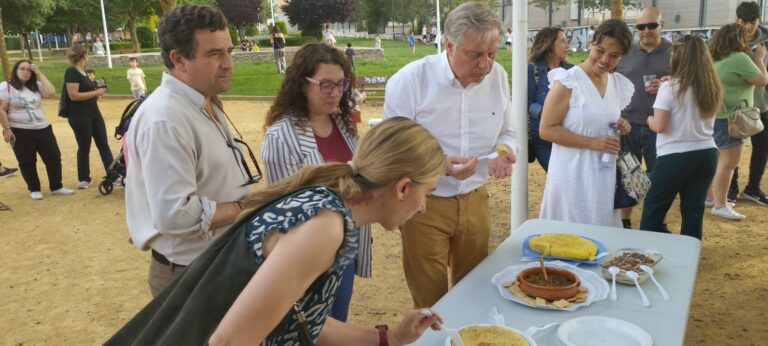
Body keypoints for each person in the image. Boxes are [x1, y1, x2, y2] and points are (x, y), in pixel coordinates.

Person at [107, 117, 446, 345]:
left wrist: (390, 338)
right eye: (426, 194)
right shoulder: (326, 225)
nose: (423, 208)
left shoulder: (326, 207)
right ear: (403, 188)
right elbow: (228, 342)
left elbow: (300, 317)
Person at [383, 2, 519, 309]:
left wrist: (503, 152)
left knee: (473, 292)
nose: (486, 65)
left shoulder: (497, 76)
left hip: (475, 200)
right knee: (430, 300)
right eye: (475, 54)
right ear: (449, 46)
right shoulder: (409, 81)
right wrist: (440, 165)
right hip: (422, 205)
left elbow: (509, 132)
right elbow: (392, 150)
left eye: (492, 53)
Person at [124, 5, 252, 297]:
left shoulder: (203, 100)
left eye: (229, 51)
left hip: (216, 262)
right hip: (190, 276)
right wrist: (245, 207)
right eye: (214, 54)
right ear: (178, 60)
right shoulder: (165, 119)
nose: (228, 63)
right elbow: (176, 214)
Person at [260, 42, 370, 322]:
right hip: (310, 255)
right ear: (302, 84)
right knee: (313, 329)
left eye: (341, 84)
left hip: (345, 246)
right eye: (325, 85)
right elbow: (286, 210)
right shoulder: (281, 136)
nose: (335, 92)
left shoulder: (344, 125)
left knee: (338, 321)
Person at [539, 19, 634, 228]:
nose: (605, 59)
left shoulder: (617, 84)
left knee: (602, 241)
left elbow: (602, 120)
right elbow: (546, 130)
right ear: (591, 43)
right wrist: (591, 143)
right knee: (568, 240)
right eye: (600, 50)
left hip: (603, 178)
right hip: (571, 178)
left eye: (614, 55)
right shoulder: (568, 80)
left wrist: (622, 126)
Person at [640, 35, 722, 240]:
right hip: (706, 153)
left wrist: (648, 119)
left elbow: (659, 125)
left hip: (675, 156)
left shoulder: (669, 88)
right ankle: (690, 258)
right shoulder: (711, 87)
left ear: (678, 59)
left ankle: (646, 255)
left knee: (653, 208)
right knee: (693, 211)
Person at [614, 7, 672, 229]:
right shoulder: (626, 52)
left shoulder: (673, 52)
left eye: (651, 26)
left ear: (662, 25)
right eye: (640, 27)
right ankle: (624, 221)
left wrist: (669, 83)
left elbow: (686, 81)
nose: (646, 31)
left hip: (660, 126)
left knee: (660, 177)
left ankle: (659, 222)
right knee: (627, 175)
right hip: (627, 124)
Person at [706, 23, 768, 220]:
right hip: (733, 119)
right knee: (729, 163)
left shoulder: (715, 59)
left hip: (716, 118)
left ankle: (709, 198)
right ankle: (721, 204)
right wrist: (759, 58)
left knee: (716, 161)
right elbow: (762, 81)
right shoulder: (739, 58)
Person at [0, 60, 74, 200]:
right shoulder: (6, 87)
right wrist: (6, 129)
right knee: (27, 161)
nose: (26, 72)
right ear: (16, 70)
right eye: (22, 69)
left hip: (43, 128)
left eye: (29, 70)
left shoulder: (36, 86)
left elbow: (51, 92)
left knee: (53, 157)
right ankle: (34, 189)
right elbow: (1, 110)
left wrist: (39, 73)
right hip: (20, 130)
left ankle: (56, 186)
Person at [731, 1, 768, 206]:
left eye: (751, 22)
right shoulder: (728, 38)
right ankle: (731, 187)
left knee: (762, 147)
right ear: (736, 20)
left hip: (762, 103)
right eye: (743, 22)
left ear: (758, 20)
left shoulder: (766, 37)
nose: (747, 26)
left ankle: (753, 188)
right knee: (733, 147)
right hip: (736, 104)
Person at [64, 43, 113, 190]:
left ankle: (113, 174)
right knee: (84, 146)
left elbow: (87, 91)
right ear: (84, 55)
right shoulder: (71, 72)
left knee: (103, 144)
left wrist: (98, 88)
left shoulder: (84, 72)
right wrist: (97, 93)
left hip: (94, 113)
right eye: (87, 54)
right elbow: (73, 95)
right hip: (79, 116)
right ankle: (83, 178)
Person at [527, 27, 573, 172]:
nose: (567, 46)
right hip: (544, 138)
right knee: (559, 176)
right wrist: (546, 114)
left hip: (568, 135)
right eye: (562, 41)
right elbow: (525, 102)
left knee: (571, 177)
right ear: (549, 44)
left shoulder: (572, 71)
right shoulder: (532, 70)